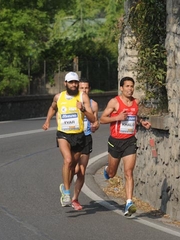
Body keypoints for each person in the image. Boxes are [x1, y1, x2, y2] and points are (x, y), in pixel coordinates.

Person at [42, 72, 96, 210]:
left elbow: (92, 119)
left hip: (79, 136)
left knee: (73, 166)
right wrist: (47, 121)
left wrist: (83, 109)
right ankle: (66, 193)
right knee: (67, 160)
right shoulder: (58, 97)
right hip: (63, 134)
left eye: (75, 82)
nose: (74, 85)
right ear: (65, 83)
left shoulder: (83, 96)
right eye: (71, 82)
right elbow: (52, 108)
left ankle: (65, 188)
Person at [99, 76, 152, 216]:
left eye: (132, 86)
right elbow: (102, 119)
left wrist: (142, 122)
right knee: (112, 173)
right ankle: (107, 169)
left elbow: (133, 117)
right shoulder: (114, 102)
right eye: (127, 86)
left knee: (128, 172)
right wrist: (116, 118)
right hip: (115, 141)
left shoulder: (136, 102)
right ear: (121, 88)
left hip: (130, 141)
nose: (130, 89)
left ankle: (129, 203)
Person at [72, 77, 100, 210]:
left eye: (86, 88)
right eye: (82, 88)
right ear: (78, 88)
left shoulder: (93, 104)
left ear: (89, 89)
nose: (84, 90)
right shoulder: (71, 101)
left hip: (86, 137)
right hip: (73, 138)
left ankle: (75, 199)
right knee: (74, 168)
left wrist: (95, 126)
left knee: (81, 171)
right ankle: (66, 184)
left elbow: (96, 121)